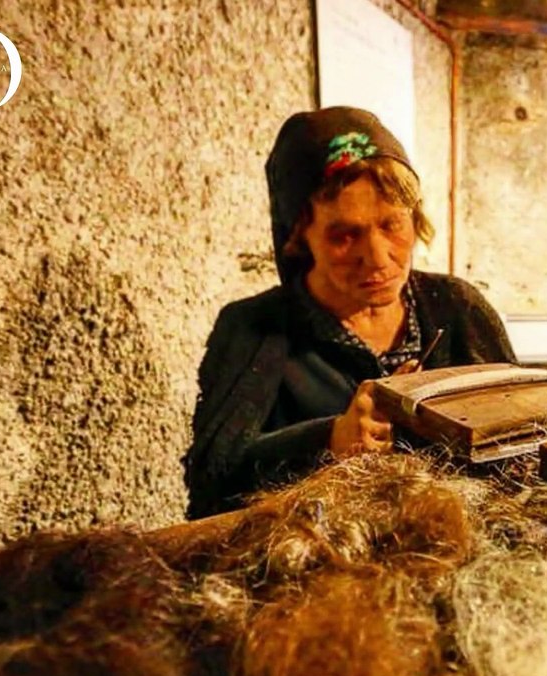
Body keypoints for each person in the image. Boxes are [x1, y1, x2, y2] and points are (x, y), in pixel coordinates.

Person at [184, 107, 516, 519]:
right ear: (299, 236)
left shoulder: (456, 308)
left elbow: (518, 448)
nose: (377, 258)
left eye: (392, 225)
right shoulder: (254, 330)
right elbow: (212, 482)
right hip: (316, 564)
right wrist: (329, 440)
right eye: (344, 235)